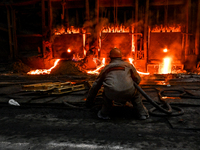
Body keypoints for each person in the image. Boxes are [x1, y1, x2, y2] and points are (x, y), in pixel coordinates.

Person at [86, 48, 149, 120]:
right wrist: (130, 84)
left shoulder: (106, 68)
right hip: (128, 92)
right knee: (136, 94)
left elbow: (96, 86)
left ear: (110, 57)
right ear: (121, 57)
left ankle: (104, 114)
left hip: (112, 93)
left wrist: (89, 102)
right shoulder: (128, 65)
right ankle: (142, 114)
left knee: (106, 93)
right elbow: (138, 79)